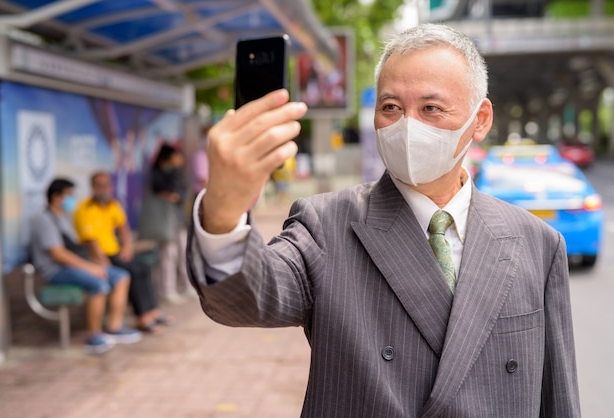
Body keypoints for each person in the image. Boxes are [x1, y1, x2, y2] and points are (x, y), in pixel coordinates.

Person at [187, 23, 580, 417]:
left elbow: (557, 399)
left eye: (431, 108)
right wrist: (223, 211)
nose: (407, 126)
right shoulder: (326, 225)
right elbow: (247, 299)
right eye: (391, 107)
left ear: (480, 119)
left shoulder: (537, 244)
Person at [29, 178, 142, 355]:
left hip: (76, 266)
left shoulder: (64, 217)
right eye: (69, 195)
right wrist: (89, 268)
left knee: (121, 276)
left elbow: (74, 249)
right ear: (56, 197)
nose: (72, 200)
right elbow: (58, 254)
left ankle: (114, 326)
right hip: (57, 271)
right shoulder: (43, 219)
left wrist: (92, 264)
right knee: (99, 284)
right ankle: (93, 336)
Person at [73, 171, 173, 334]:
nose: (103, 189)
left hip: (116, 252)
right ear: (92, 187)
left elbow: (124, 229)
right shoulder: (84, 209)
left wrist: (127, 247)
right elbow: (91, 242)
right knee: (130, 271)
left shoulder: (113, 205)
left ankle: (152, 310)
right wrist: (103, 261)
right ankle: (142, 317)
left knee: (144, 267)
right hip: (99, 257)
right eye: (99, 186)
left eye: (106, 185)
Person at [149, 143, 193, 304]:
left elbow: (179, 195)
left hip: (178, 219)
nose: (180, 159)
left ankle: (187, 286)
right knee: (168, 254)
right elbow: (158, 193)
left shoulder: (177, 173)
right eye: (177, 156)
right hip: (164, 221)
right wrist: (168, 195)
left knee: (183, 253)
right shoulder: (157, 173)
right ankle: (167, 290)